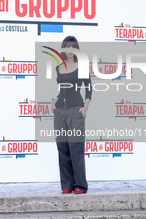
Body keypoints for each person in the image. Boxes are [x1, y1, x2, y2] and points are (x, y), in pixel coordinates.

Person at [51, 36, 92, 194]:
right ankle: (67, 184)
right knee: (62, 147)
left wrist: (86, 106)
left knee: (75, 146)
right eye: (66, 46)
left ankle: (80, 185)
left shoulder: (81, 66)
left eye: (72, 46)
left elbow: (88, 87)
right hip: (60, 110)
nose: (69, 49)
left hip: (76, 110)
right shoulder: (58, 67)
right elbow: (63, 89)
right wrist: (55, 100)